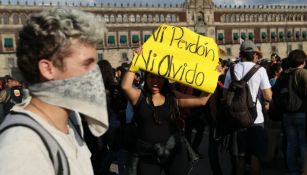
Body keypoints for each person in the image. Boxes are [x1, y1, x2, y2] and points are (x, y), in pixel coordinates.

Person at [0, 8, 108, 175]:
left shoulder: (72, 120)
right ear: (48, 69)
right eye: (86, 64)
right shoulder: (22, 147)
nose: (95, 73)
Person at [121, 48, 214, 175]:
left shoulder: (173, 97)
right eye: (151, 76)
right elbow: (125, 86)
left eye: (159, 77)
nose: (155, 81)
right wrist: (136, 60)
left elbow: (202, 100)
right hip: (147, 154)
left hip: (175, 152)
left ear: (165, 80)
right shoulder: (139, 96)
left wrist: (214, 76)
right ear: (146, 78)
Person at [223, 40, 272, 175]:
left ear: (240, 54)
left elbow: (225, 95)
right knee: (255, 155)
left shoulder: (231, 70)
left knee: (241, 155)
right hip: (256, 118)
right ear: (254, 54)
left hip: (237, 118)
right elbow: (268, 96)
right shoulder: (260, 70)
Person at [277, 49, 307, 175]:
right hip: (301, 112)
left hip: (287, 114)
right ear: (303, 60)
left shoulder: (283, 74)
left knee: (291, 143)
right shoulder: (303, 73)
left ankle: (292, 170)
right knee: (303, 144)